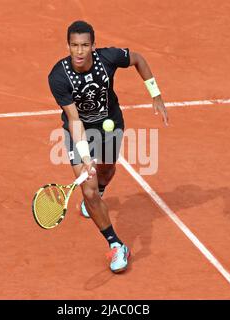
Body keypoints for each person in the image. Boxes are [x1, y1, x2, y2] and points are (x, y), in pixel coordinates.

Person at [48, 20, 168, 273]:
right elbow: (74, 120)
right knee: (88, 191)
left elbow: (138, 60)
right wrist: (84, 155)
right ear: (68, 46)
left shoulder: (108, 59)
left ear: (93, 45)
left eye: (84, 46)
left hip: (111, 124)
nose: (79, 52)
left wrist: (155, 94)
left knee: (106, 170)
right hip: (78, 132)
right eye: (74, 46)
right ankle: (116, 243)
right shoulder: (59, 76)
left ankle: (101, 189)